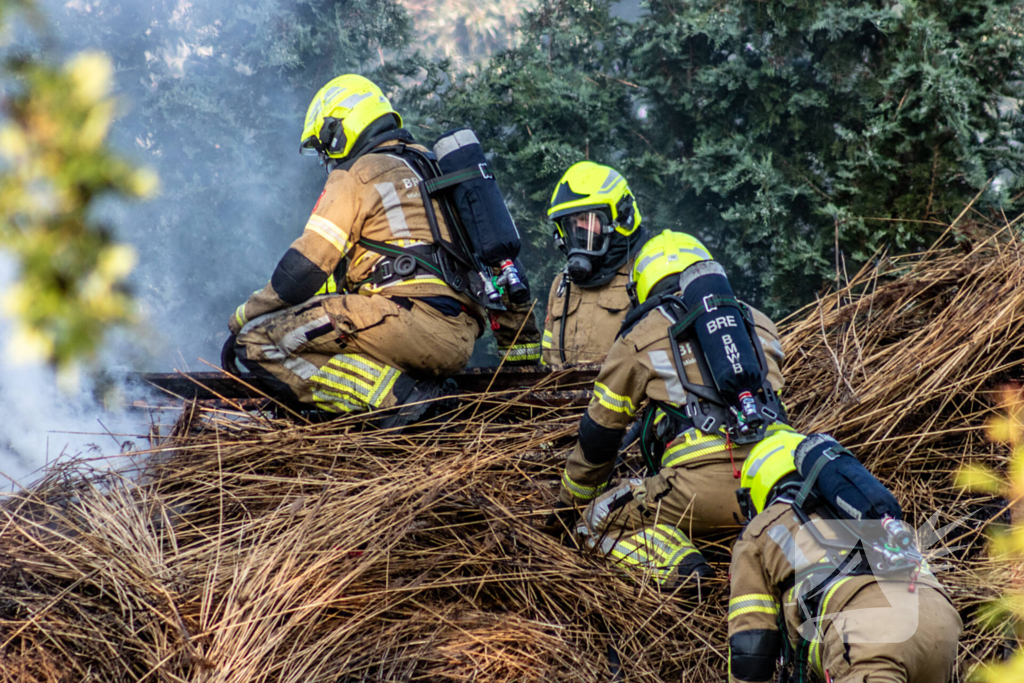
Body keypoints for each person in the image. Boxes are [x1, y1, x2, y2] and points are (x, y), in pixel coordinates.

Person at [222, 74, 534, 422]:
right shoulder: (440, 172)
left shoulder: (357, 173)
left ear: (339, 128)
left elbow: (303, 271)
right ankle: (407, 392)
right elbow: (505, 270)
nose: (327, 158)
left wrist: (244, 316)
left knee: (256, 341)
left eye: (324, 146)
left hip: (403, 321)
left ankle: (403, 399)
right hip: (459, 336)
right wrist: (524, 369)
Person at [554, 230, 790, 588]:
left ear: (641, 290)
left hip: (697, 490)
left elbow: (599, 436)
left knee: (594, 521)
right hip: (777, 482)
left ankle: (680, 568)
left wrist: (570, 503)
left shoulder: (641, 334)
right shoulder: (757, 322)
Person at [729, 430, 962, 683]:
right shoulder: (861, 506)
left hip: (870, 632)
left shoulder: (759, 530)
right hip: (941, 621)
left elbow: (751, 648)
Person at [541, 161, 648, 366]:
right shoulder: (563, 284)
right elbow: (548, 362)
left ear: (622, 218)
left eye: (585, 219)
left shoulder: (644, 274)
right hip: (567, 398)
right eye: (571, 224)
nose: (578, 230)